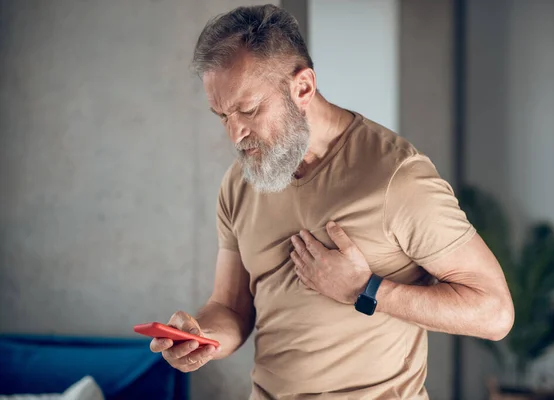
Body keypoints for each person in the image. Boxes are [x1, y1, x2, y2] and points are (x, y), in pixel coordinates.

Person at [150, 4, 514, 399]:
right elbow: (231, 308)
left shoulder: (398, 178)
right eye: (222, 115)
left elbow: (494, 313)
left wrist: (366, 289)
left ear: (302, 87)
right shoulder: (241, 181)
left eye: (248, 110)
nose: (235, 133)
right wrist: (200, 338)